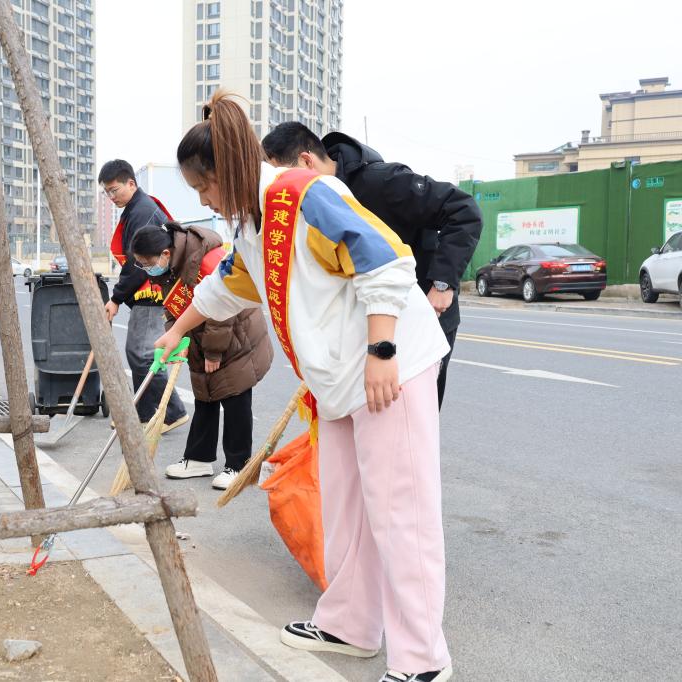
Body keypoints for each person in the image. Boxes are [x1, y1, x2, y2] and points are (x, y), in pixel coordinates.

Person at [156, 93, 453, 682]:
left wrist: (382, 352)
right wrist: (177, 329)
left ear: (225, 171)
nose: (204, 200)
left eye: (203, 187)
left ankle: (424, 661)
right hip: (339, 378)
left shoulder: (302, 193)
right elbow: (231, 283)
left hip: (386, 366)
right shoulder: (250, 220)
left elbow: (385, 259)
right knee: (345, 509)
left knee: (402, 513)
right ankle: (350, 624)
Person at [262, 122, 482, 407]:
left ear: (306, 161)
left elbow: (463, 210)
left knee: (413, 415)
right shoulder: (310, 204)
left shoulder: (382, 183)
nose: (280, 189)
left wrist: (443, 283)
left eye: (283, 176)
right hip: (371, 320)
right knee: (372, 416)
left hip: (424, 315)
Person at [130, 221, 272, 489]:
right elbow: (173, 306)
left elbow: (223, 309)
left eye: (147, 263)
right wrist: (177, 337)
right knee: (204, 394)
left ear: (165, 253)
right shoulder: (169, 269)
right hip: (200, 337)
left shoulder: (206, 259)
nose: (147, 269)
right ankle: (199, 458)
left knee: (235, 397)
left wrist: (213, 351)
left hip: (236, 336)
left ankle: (238, 465)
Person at [98, 159, 188, 431]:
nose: (112, 197)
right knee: (138, 353)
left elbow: (138, 263)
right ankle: (144, 413)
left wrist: (116, 298)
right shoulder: (136, 209)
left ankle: (171, 412)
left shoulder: (142, 211)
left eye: (114, 190)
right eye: (107, 192)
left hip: (152, 292)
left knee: (143, 354)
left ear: (131, 183)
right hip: (147, 291)